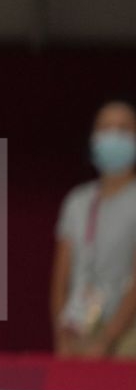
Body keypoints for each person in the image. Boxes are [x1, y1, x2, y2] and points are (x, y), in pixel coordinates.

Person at [53, 100, 136, 360]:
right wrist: (61, 332)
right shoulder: (77, 201)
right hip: (78, 327)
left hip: (126, 334)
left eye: (123, 129)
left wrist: (107, 339)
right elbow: (61, 276)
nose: (113, 135)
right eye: (106, 127)